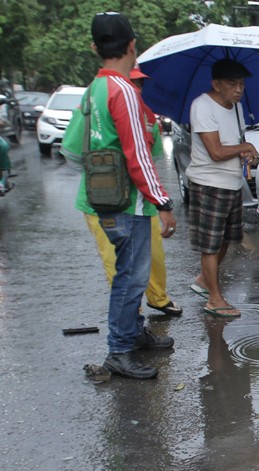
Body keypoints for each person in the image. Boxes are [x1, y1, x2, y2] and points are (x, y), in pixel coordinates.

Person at [61, 11, 177, 380]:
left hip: (104, 199)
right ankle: (120, 350)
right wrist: (163, 203)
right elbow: (138, 156)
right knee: (130, 278)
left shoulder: (94, 89)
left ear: (96, 48)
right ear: (132, 45)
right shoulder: (123, 90)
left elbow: (76, 150)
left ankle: (131, 335)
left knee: (128, 275)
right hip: (128, 203)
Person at [84, 65, 181, 317]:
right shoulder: (93, 107)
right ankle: (130, 320)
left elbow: (151, 160)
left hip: (142, 199)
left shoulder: (148, 118)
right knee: (118, 267)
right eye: (132, 83)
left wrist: (159, 201)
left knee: (151, 257)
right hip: (104, 203)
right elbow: (74, 153)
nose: (136, 89)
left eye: (140, 85)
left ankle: (157, 299)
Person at [186, 58, 258, 319]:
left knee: (227, 240)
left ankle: (204, 281)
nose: (238, 89)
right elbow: (215, 151)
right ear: (216, 84)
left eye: (241, 84)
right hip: (209, 184)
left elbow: (235, 143)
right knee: (211, 245)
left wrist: (249, 154)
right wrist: (245, 148)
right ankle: (214, 300)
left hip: (231, 183)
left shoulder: (236, 108)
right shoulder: (202, 106)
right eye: (232, 84)